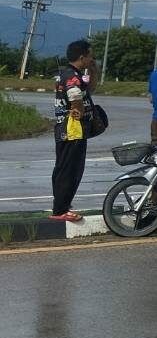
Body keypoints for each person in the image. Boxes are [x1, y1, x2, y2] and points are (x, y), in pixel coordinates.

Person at [49, 39, 95, 223]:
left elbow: (88, 89)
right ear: (82, 57)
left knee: (65, 167)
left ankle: (62, 205)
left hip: (66, 129)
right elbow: (75, 95)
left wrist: (93, 70)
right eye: (90, 56)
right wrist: (80, 109)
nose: (92, 59)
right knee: (70, 169)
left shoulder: (66, 73)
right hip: (72, 129)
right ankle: (60, 209)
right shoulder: (72, 76)